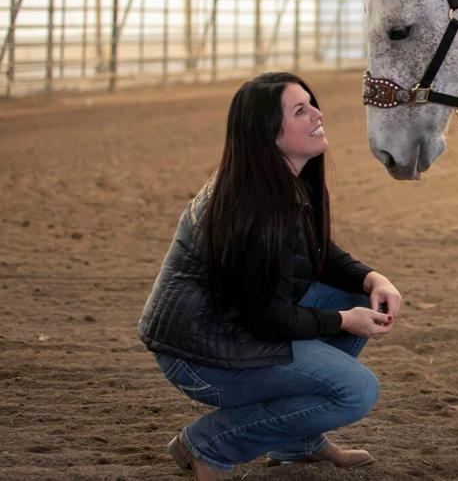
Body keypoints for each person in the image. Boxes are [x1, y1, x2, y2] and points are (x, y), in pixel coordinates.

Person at [138, 72, 403, 480]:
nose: (317, 113)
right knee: (356, 391)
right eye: (301, 110)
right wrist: (344, 320)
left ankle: (297, 444)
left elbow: (316, 252)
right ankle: (210, 444)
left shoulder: (278, 181)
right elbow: (268, 318)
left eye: (311, 103)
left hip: (233, 324)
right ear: (268, 133)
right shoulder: (254, 208)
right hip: (200, 357)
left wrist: (372, 279)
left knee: (346, 296)